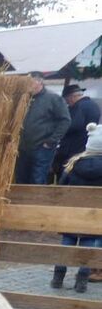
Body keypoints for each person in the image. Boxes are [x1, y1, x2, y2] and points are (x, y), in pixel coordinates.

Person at [51, 123, 102, 293]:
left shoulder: (73, 164)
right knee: (89, 247)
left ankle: (58, 277)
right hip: (94, 217)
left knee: (67, 244)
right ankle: (81, 281)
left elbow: (62, 188)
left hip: (71, 215)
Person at [14, 72, 71, 185]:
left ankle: (34, 202)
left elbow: (65, 120)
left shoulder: (53, 98)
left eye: (29, 82)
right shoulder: (24, 98)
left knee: (37, 180)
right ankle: (22, 203)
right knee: (20, 179)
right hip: (23, 148)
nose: (26, 85)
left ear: (39, 82)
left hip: (42, 147)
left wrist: (51, 141)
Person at [56, 84, 101, 176]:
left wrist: (60, 129)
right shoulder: (93, 105)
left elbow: (74, 125)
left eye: (67, 100)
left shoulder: (78, 107)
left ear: (72, 97)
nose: (68, 103)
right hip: (86, 144)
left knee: (68, 171)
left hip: (73, 146)